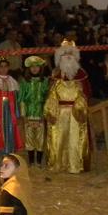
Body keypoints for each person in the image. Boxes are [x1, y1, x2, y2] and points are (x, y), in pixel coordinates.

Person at [45, 42, 90, 174]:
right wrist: (51, 110)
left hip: (76, 113)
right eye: (65, 54)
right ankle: (58, 164)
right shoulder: (55, 74)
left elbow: (87, 93)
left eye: (70, 54)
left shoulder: (81, 74)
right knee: (58, 139)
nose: (68, 57)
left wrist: (80, 105)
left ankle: (74, 165)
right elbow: (51, 94)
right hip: (59, 112)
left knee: (75, 139)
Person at [18, 56, 49, 167]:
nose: (34, 69)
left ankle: (39, 162)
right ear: (29, 68)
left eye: (37, 67)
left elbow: (47, 99)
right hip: (29, 113)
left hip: (40, 113)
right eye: (32, 67)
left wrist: (44, 114)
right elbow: (21, 99)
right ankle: (31, 161)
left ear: (40, 68)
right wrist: (23, 115)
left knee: (40, 138)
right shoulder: (24, 82)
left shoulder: (44, 81)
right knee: (29, 137)